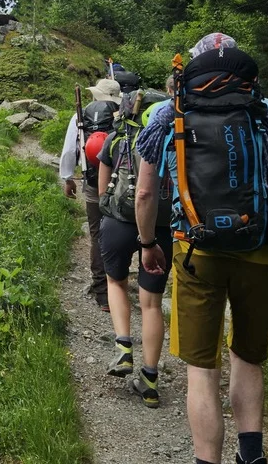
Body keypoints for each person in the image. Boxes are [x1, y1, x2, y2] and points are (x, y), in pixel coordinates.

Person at [134, 35, 268, 464]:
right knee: (248, 357)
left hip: (196, 253)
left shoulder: (170, 113)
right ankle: (251, 456)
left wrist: (148, 244)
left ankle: (207, 460)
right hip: (261, 249)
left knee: (202, 370)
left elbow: (145, 194)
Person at [96, 88, 175, 408]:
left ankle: (124, 346)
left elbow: (102, 187)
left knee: (116, 281)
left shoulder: (117, 139)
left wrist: (108, 210)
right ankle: (150, 380)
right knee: (152, 304)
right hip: (160, 227)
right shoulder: (171, 140)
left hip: (117, 223)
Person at [60, 78, 122, 310]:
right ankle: (119, 283)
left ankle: (102, 292)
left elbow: (69, 150)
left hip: (93, 184)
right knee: (122, 230)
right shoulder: (125, 115)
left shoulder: (81, 115)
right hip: (122, 186)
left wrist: (68, 178)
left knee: (96, 235)